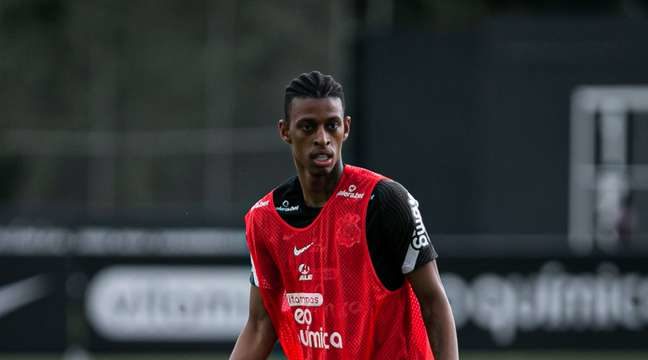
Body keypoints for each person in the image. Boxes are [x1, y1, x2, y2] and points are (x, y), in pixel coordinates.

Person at [230, 71, 458, 360]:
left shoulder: (385, 201)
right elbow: (261, 324)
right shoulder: (264, 220)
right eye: (308, 127)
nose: (322, 139)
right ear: (285, 131)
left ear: (346, 128)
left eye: (332, 125)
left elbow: (434, 302)